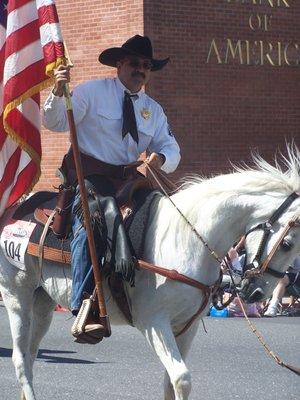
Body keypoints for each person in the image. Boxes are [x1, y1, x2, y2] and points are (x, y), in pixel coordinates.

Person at [43, 35, 181, 335]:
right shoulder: (92, 92)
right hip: (87, 175)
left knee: (161, 218)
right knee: (92, 224)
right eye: (134, 63)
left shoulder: (153, 110)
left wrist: (157, 159)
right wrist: (57, 90)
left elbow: (172, 149)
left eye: (146, 66)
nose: (140, 70)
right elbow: (54, 123)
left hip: (128, 180)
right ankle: (82, 305)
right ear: (119, 64)